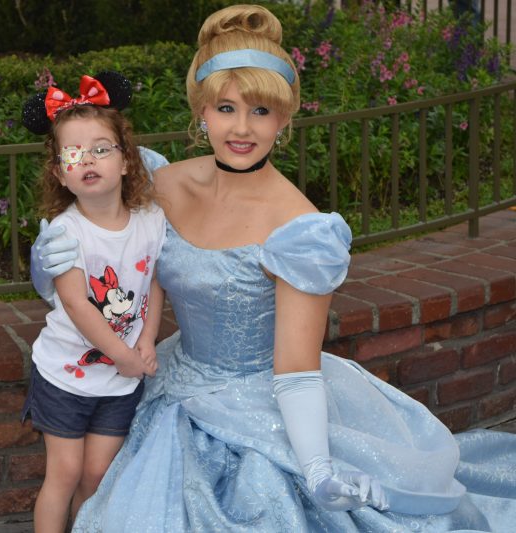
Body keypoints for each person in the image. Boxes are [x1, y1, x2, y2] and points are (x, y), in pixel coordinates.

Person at [31, 5, 516, 532]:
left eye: (261, 111)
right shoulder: (161, 184)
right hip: (167, 376)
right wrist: (46, 265)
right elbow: (107, 260)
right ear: (202, 111)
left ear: (284, 119)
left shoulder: (300, 231)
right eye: (226, 108)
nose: (242, 128)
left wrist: (317, 466)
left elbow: (297, 372)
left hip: (261, 403)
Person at [21, 71, 166, 533]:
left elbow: (155, 282)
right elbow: (78, 305)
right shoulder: (67, 232)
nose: (87, 159)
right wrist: (123, 354)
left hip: (121, 379)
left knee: (97, 475)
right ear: (60, 173)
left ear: (126, 161)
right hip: (66, 374)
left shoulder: (151, 219)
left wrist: (146, 339)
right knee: (64, 473)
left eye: (101, 149)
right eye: (73, 153)